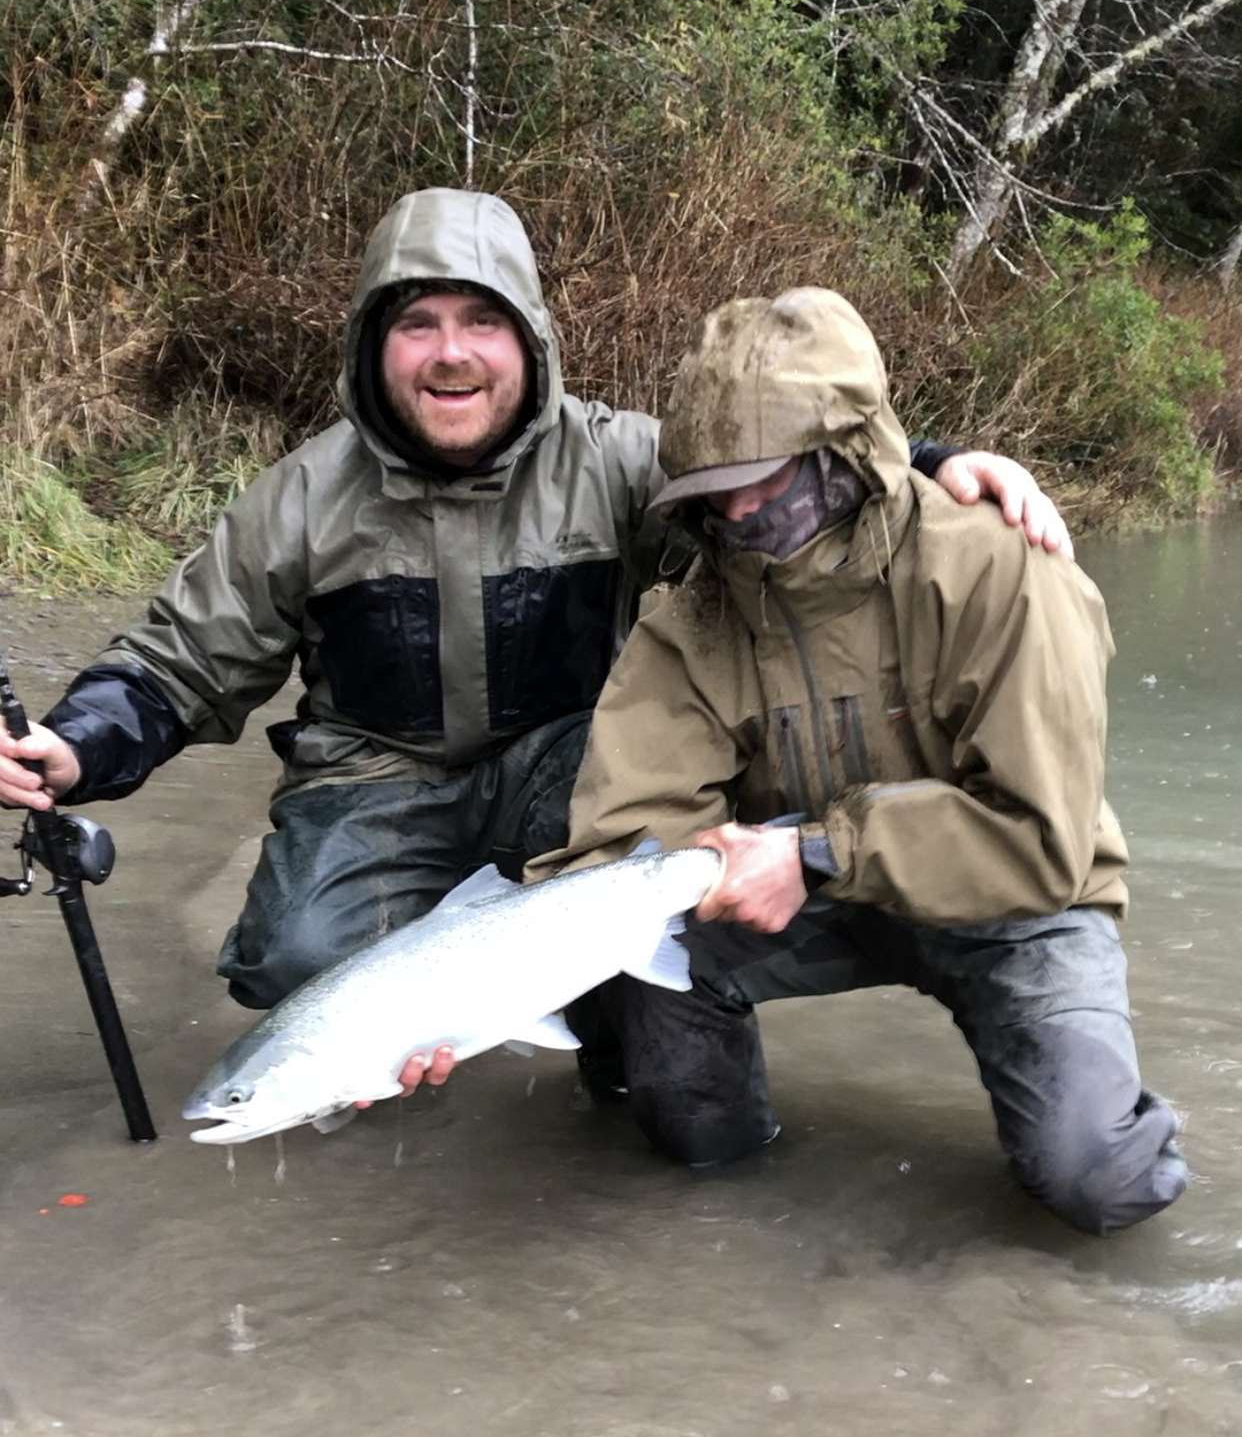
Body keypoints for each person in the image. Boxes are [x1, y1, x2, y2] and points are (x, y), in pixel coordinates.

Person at [0, 191, 1072, 1096]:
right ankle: (392, 1047)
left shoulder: (623, 461)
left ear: (531, 340)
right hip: (376, 783)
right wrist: (80, 745)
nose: (452, 354)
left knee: (657, 861)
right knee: (296, 961)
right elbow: (181, 658)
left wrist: (937, 459)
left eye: (483, 321)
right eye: (418, 323)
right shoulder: (298, 501)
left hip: (570, 771)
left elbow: (769, 476)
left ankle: (628, 1054)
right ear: (374, 347)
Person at [526, 287, 1188, 1235]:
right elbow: (623, 850)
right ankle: (731, 1227)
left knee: (1098, 1180)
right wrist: (461, 1008)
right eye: (717, 488)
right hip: (798, 900)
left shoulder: (1005, 571)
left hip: (1017, 902)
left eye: (772, 477)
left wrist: (812, 853)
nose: (743, 509)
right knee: (670, 1097)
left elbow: (1042, 846)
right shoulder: (688, 621)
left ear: (850, 453)